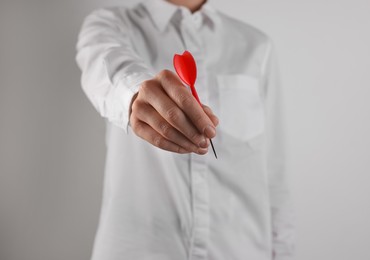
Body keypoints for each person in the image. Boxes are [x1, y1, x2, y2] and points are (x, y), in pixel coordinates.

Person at [75, 0, 295, 259]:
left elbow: (274, 176)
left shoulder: (256, 46)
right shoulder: (110, 25)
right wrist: (134, 93)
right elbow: (106, 62)